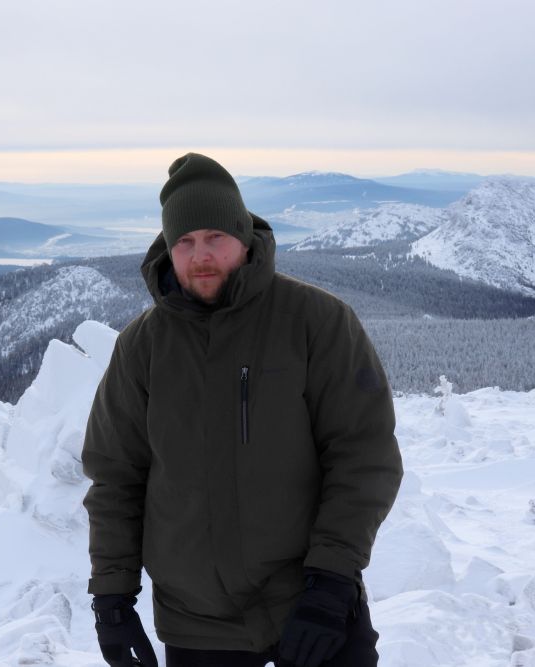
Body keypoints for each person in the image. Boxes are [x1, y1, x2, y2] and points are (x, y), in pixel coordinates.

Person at [82, 153, 403, 667]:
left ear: (244, 238)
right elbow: (116, 475)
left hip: (312, 602)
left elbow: (363, 456)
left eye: (215, 237)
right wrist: (111, 599)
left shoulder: (316, 322)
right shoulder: (142, 346)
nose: (200, 255)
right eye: (185, 241)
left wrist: (333, 581)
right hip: (197, 621)